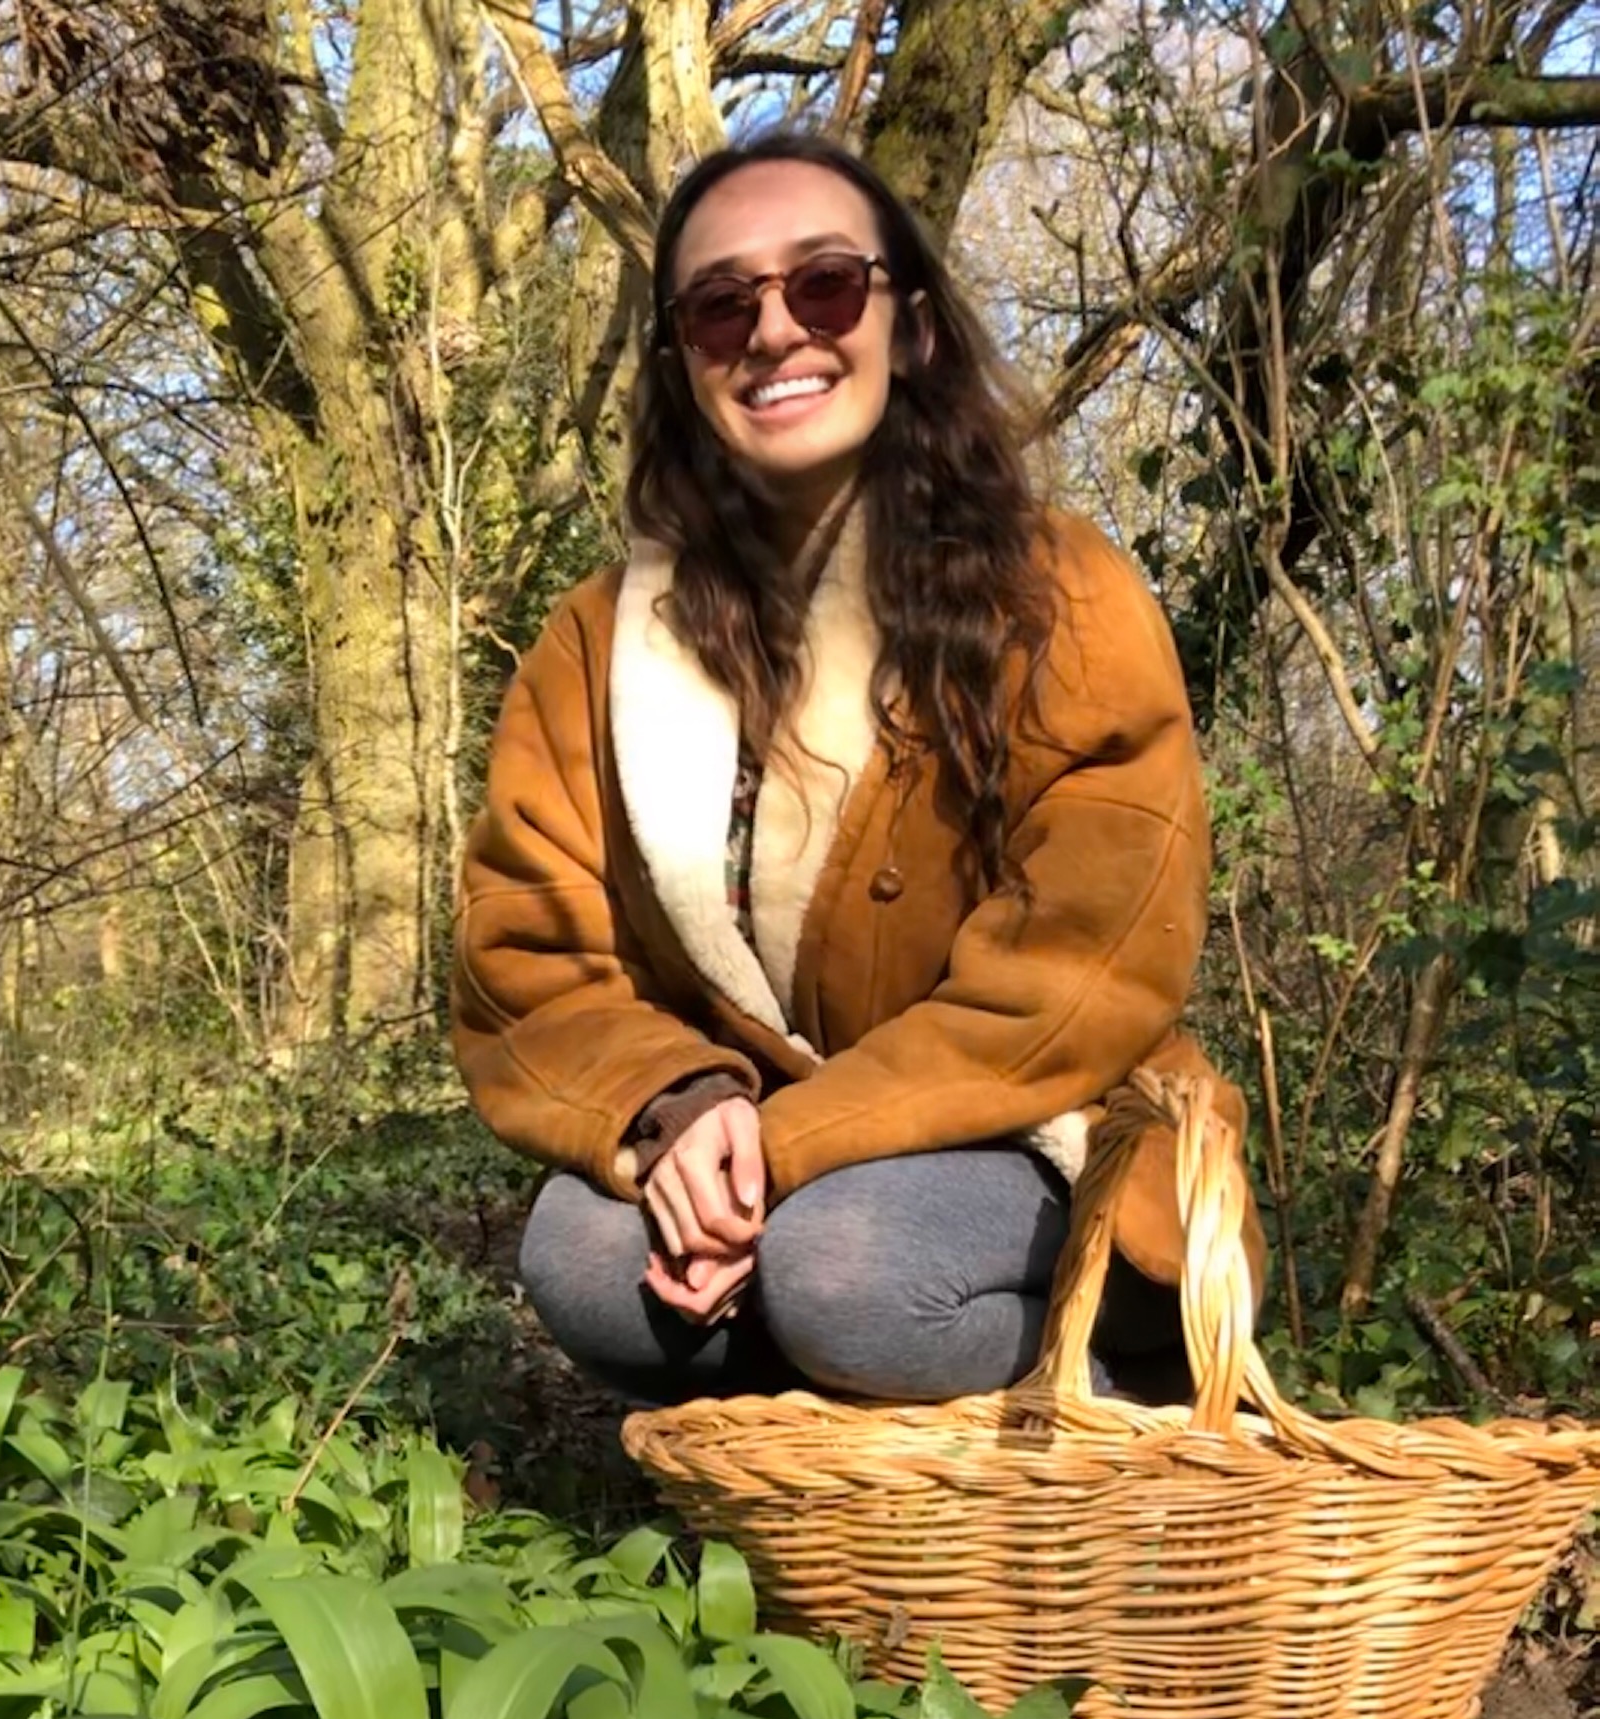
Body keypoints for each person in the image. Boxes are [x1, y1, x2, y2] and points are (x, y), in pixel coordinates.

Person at [451, 130, 1255, 1409]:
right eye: (722, 306)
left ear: (911, 325)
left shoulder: (1056, 594)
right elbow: (531, 961)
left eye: (824, 284)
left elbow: (1085, 966)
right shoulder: (593, 647)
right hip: (759, 1147)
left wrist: (787, 1148)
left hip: (1040, 1134)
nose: (775, 331)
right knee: (584, 1252)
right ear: (680, 360)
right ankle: (825, 1494)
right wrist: (678, 1109)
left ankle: (1122, 1410)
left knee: (851, 1270)